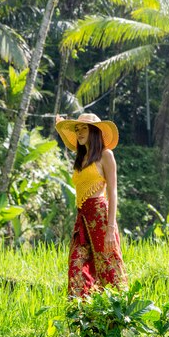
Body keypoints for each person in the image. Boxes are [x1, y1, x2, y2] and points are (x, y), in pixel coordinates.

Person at [55, 113, 127, 297]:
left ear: (94, 131)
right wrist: (62, 125)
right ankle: (82, 319)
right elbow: (69, 140)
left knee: (108, 268)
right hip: (82, 218)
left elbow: (112, 192)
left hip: (100, 217)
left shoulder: (105, 155)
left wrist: (111, 228)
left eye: (83, 128)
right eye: (77, 129)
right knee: (76, 268)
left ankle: (118, 317)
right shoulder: (82, 159)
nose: (79, 133)